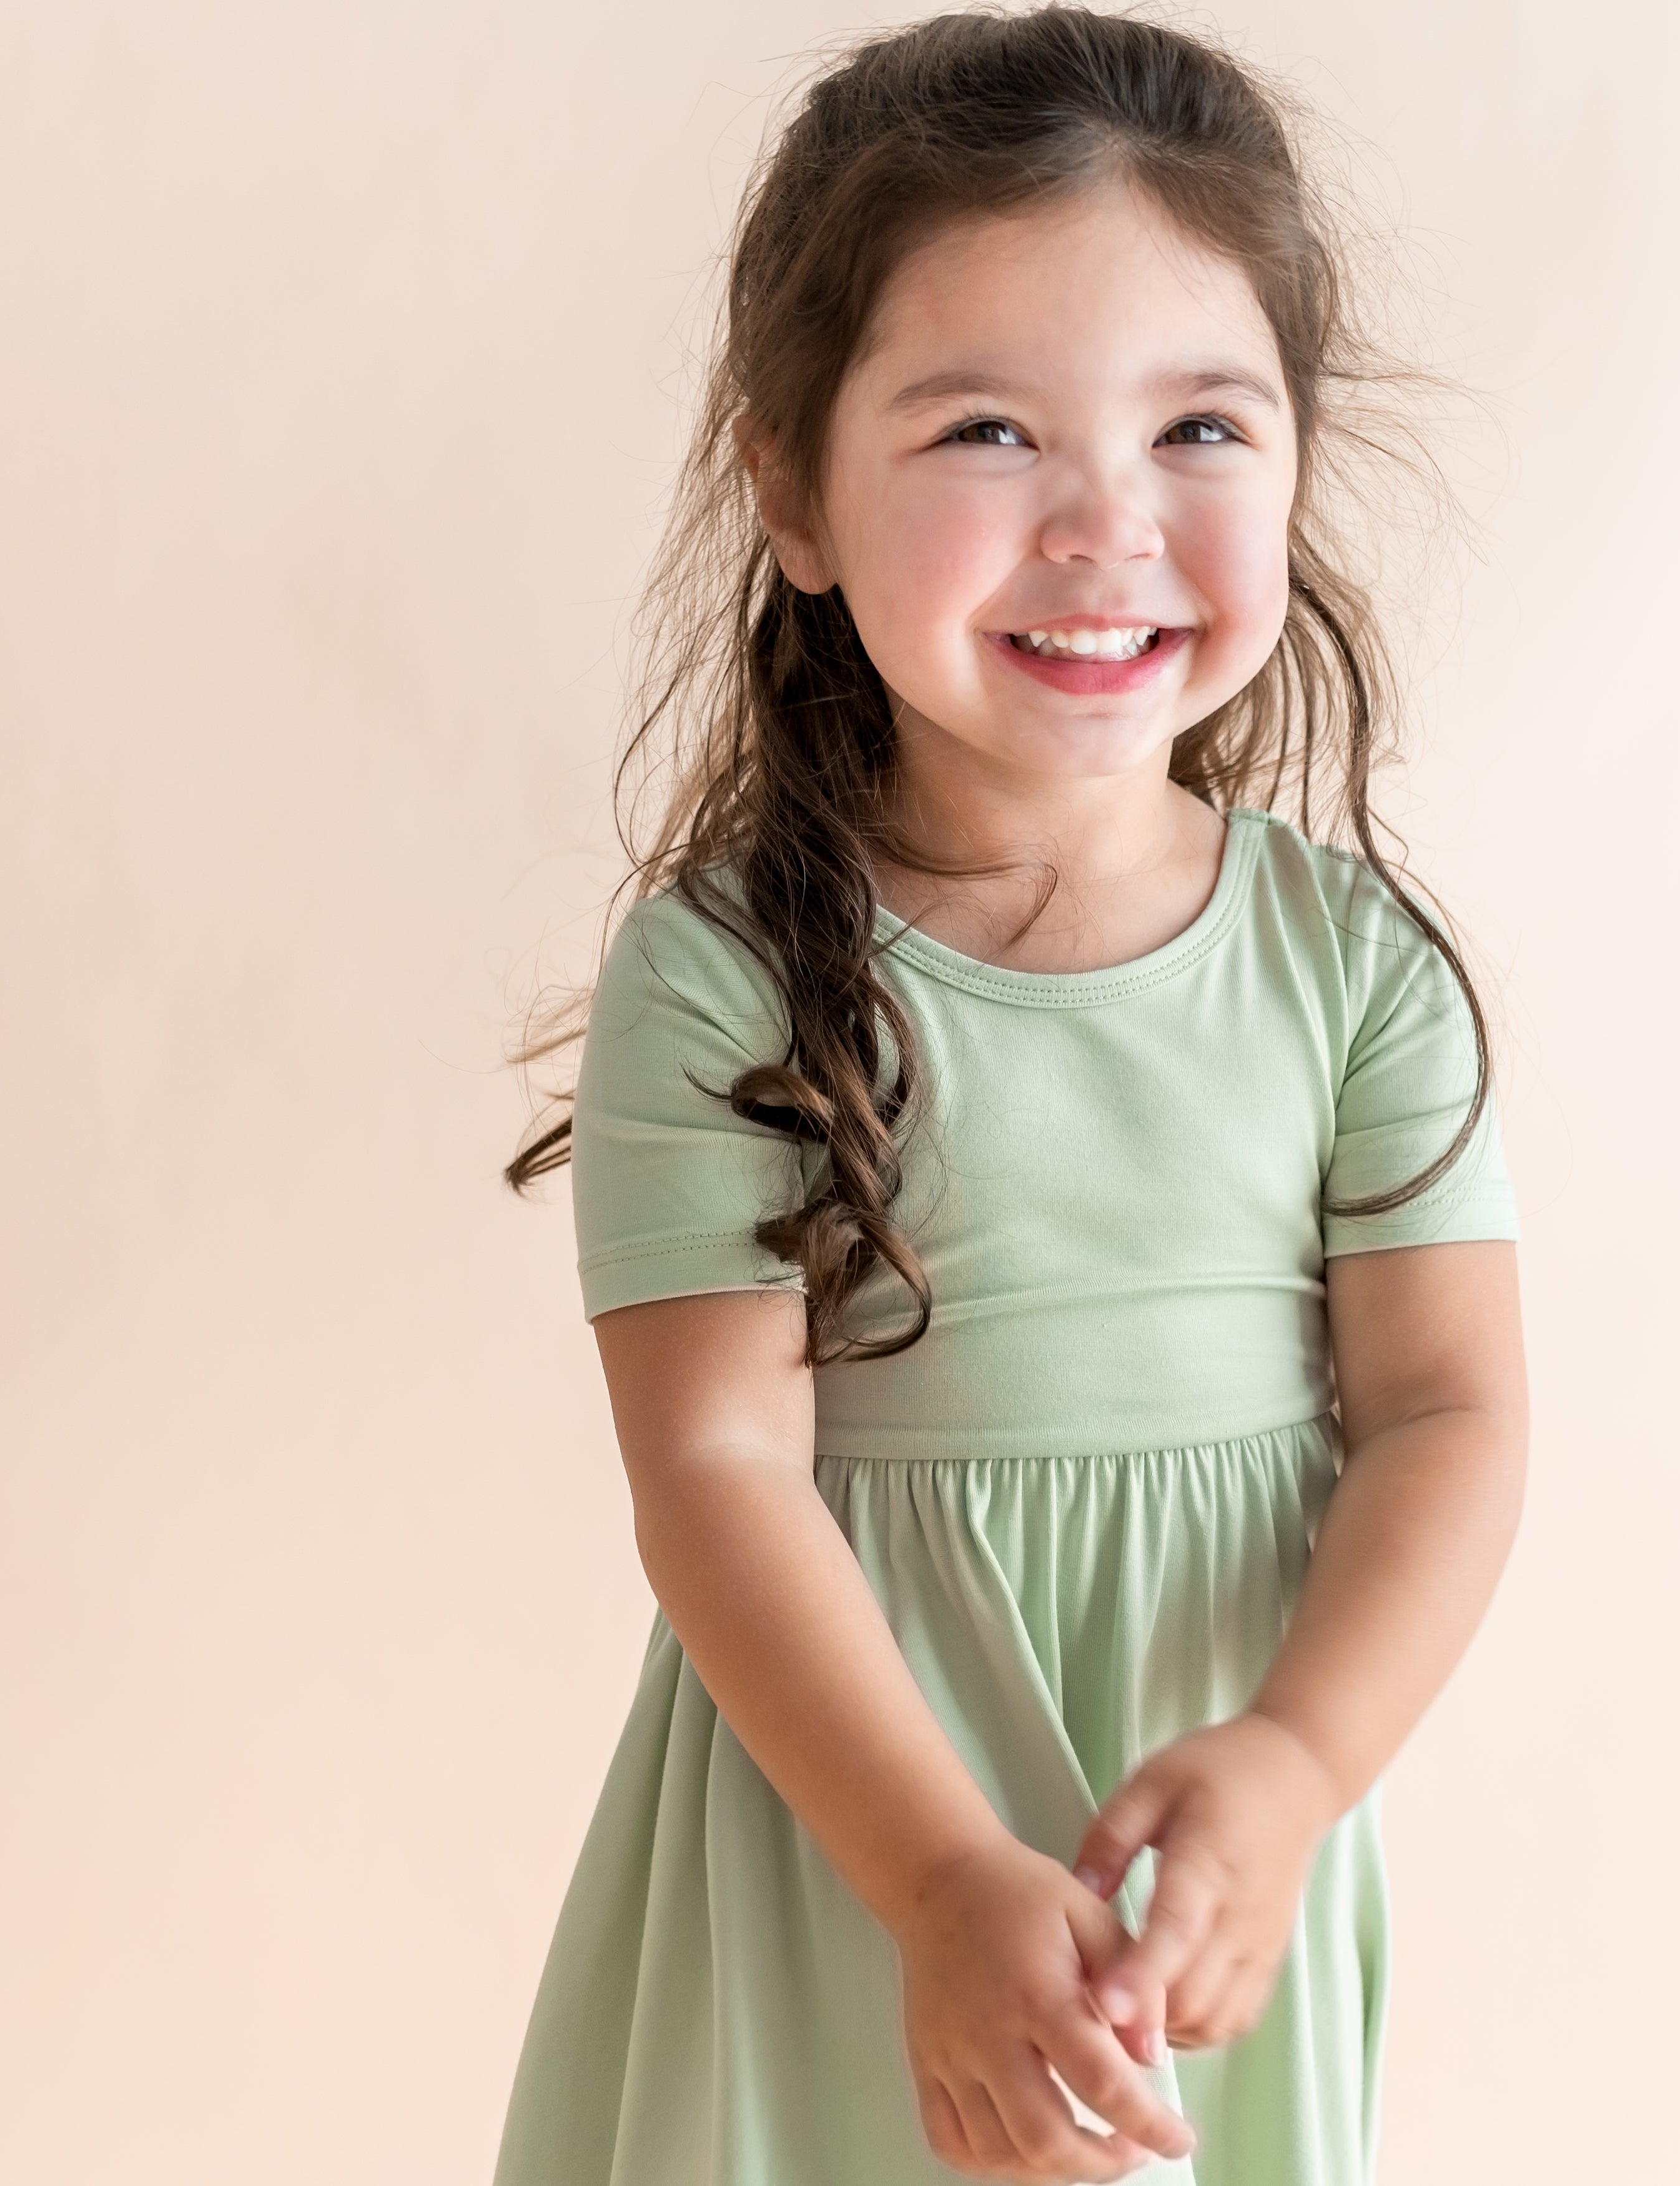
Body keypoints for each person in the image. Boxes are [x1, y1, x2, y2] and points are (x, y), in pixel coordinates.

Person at [493, 10, 1528, 2183]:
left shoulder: (1353, 975)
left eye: (1197, 429)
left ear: (1296, 459)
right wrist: (940, 1878)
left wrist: (1291, 1761)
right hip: (849, 1843)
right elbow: (712, 1464)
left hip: (1202, 1873)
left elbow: (1449, 1413)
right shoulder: (731, 976)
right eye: (984, 427)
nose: (1102, 524)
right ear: (789, 486)